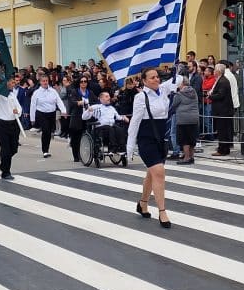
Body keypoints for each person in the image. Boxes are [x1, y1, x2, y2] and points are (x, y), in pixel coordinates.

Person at [127, 68, 172, 228]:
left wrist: (177, 68)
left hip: (161, 139)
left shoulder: (164, 91)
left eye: (157, 77)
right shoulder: (141, 97)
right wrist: (130, 146)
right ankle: (162, 211)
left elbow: (179, 80)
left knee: (152, 174)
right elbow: (135, 122)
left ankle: (143, 203)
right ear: (144, 81)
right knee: (159, 172)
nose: (156, 79)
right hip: (146, 139)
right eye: (152, 77)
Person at [0, 77, 23, 180]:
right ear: (6, 83)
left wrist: (17, 111)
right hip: (1, 124)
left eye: (14, 82)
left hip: (13, 123)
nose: (13, 84)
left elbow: (19, 107)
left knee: (13, 149)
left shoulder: (12, 94)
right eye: (11, 82)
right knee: (5, 149)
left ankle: (4, 163)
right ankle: (6, 172)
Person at [30, 75, 67, 158]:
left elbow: (59, 101)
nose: (45, 82)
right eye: (43, 81)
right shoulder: (36, 93)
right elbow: (32, 106)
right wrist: (32, 118)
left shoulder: (53, 91)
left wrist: (63, 111)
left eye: (46, 81)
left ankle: (47, 148)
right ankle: (45, 150)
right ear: (40, 82)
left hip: (51, 113)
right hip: (41, 113)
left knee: (49, 132)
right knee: (45, 130)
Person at [84, 90, 129, 155]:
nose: (109, 98)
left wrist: (124, 118)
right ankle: (113, 148)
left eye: (109, 96)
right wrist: (88, 111)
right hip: (99, 128)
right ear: (101, 99)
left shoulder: (112, 108)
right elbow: (84, 117)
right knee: (110, 128)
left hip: (111, 127)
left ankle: (122, 149)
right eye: (106, 96)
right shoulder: (96, 107)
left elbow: (118, 117)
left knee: (119, 129)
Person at [169, 76, 200, 165]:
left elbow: (173, 105)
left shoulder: (179, 94)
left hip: (183, 119)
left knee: (185, 139)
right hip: (194, 118)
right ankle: (191, 157)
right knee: (192, 138)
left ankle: (186, 158)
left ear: (181, 84)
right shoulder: (194, 92)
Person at [208, 63, 235, 156]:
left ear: (219, 71)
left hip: (223, 111)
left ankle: (223, 149)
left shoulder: (223, 81)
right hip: (221, 110)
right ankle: (223, 148)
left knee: (223, 131)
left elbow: (221, 95)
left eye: (215, 69)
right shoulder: (220, 80)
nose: (214, 71)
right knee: (222, 130)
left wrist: (210, 96)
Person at [67, 75, 94, 162]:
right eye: (81, 81)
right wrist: (78, 102)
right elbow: (71, 102)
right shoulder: (74, 91)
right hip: (77, 117)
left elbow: (95, 101)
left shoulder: (90, 92)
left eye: (85, 81)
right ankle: (76, 156)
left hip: (88, 118)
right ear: (79, 83)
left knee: (86, 136)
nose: (83, 83)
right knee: (76, 138)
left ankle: (85, 155)